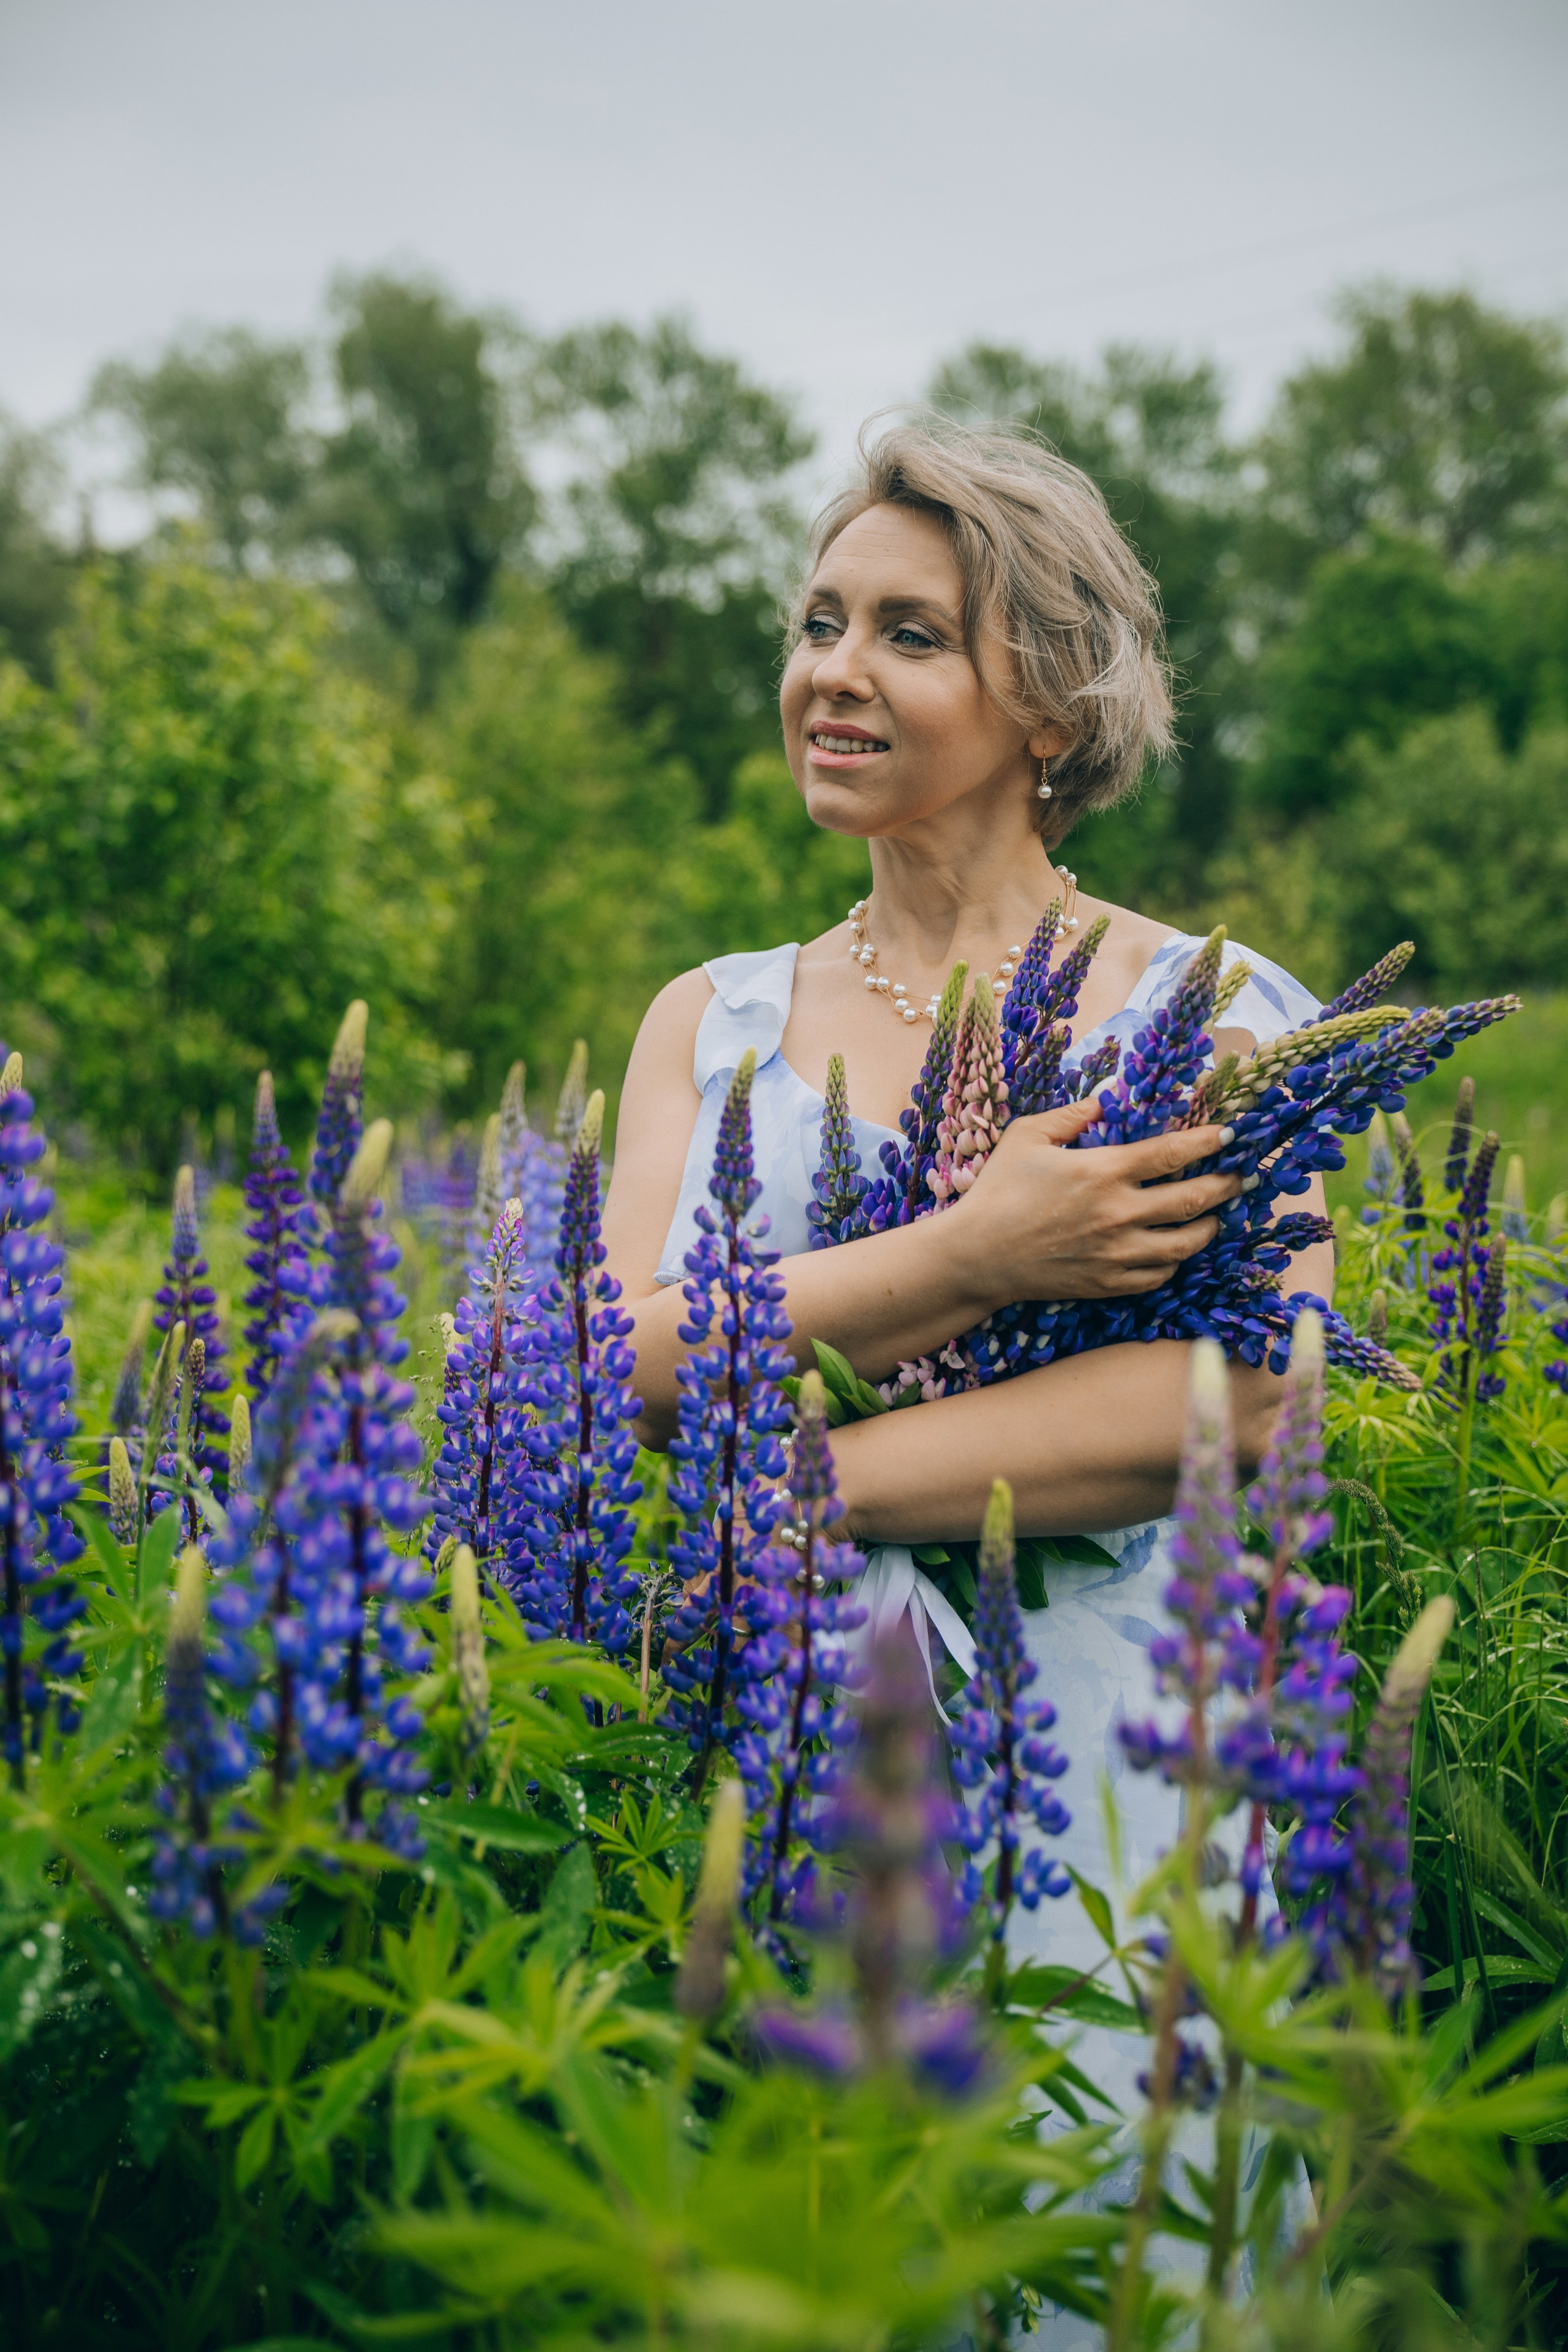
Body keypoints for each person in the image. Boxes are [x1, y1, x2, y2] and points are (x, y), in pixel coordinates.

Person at [602, 418, 1329, 2317]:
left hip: (1108, 1765)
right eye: (818, 621)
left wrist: (804, 1489)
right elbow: (609, 1363)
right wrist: (968, 1258)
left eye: (909, 635)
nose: (832, 671)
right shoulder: (713, 1020)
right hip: (740, 1751)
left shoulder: (1220, 1019)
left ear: (1053, 706)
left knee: (1108, 2269)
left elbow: (1247, 1402)